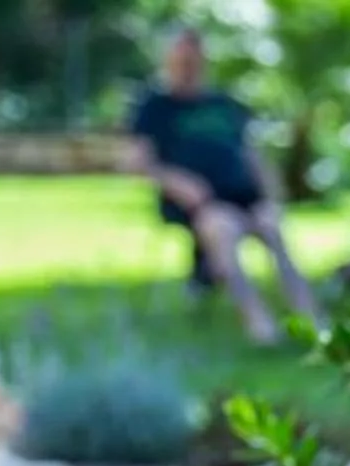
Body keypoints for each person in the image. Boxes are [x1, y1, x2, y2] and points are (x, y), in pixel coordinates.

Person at [127, 29, 320, 345]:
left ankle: (312, 321)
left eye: (193, 61)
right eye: (181, 61)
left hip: (244, 197)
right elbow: (139, 163)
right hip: (199, 204)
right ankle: (260, 325)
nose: (187, 68)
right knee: (223, 231)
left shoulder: (224, 104)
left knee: (272, 228)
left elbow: (253, 155)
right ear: (168, 62)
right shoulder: (155, 107)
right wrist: (177, 181)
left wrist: (272, 197)